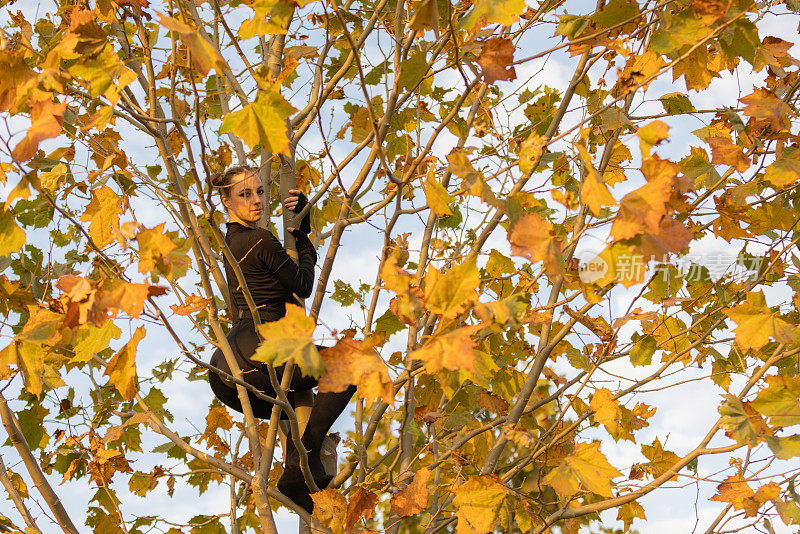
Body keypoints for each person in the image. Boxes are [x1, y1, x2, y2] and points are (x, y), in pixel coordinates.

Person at [206, 165, 355, 513]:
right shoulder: (258, 239)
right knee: (351, 365)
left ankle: (300, 469)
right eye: (245, 195)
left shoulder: (233, 242)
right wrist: (306, 245)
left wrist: (301, 222)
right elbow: (302, 283)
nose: (256, 200)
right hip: (258, 353)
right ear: (226, 201)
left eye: (259, 191)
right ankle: (299, 465)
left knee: (295, 410)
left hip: (227, 370)